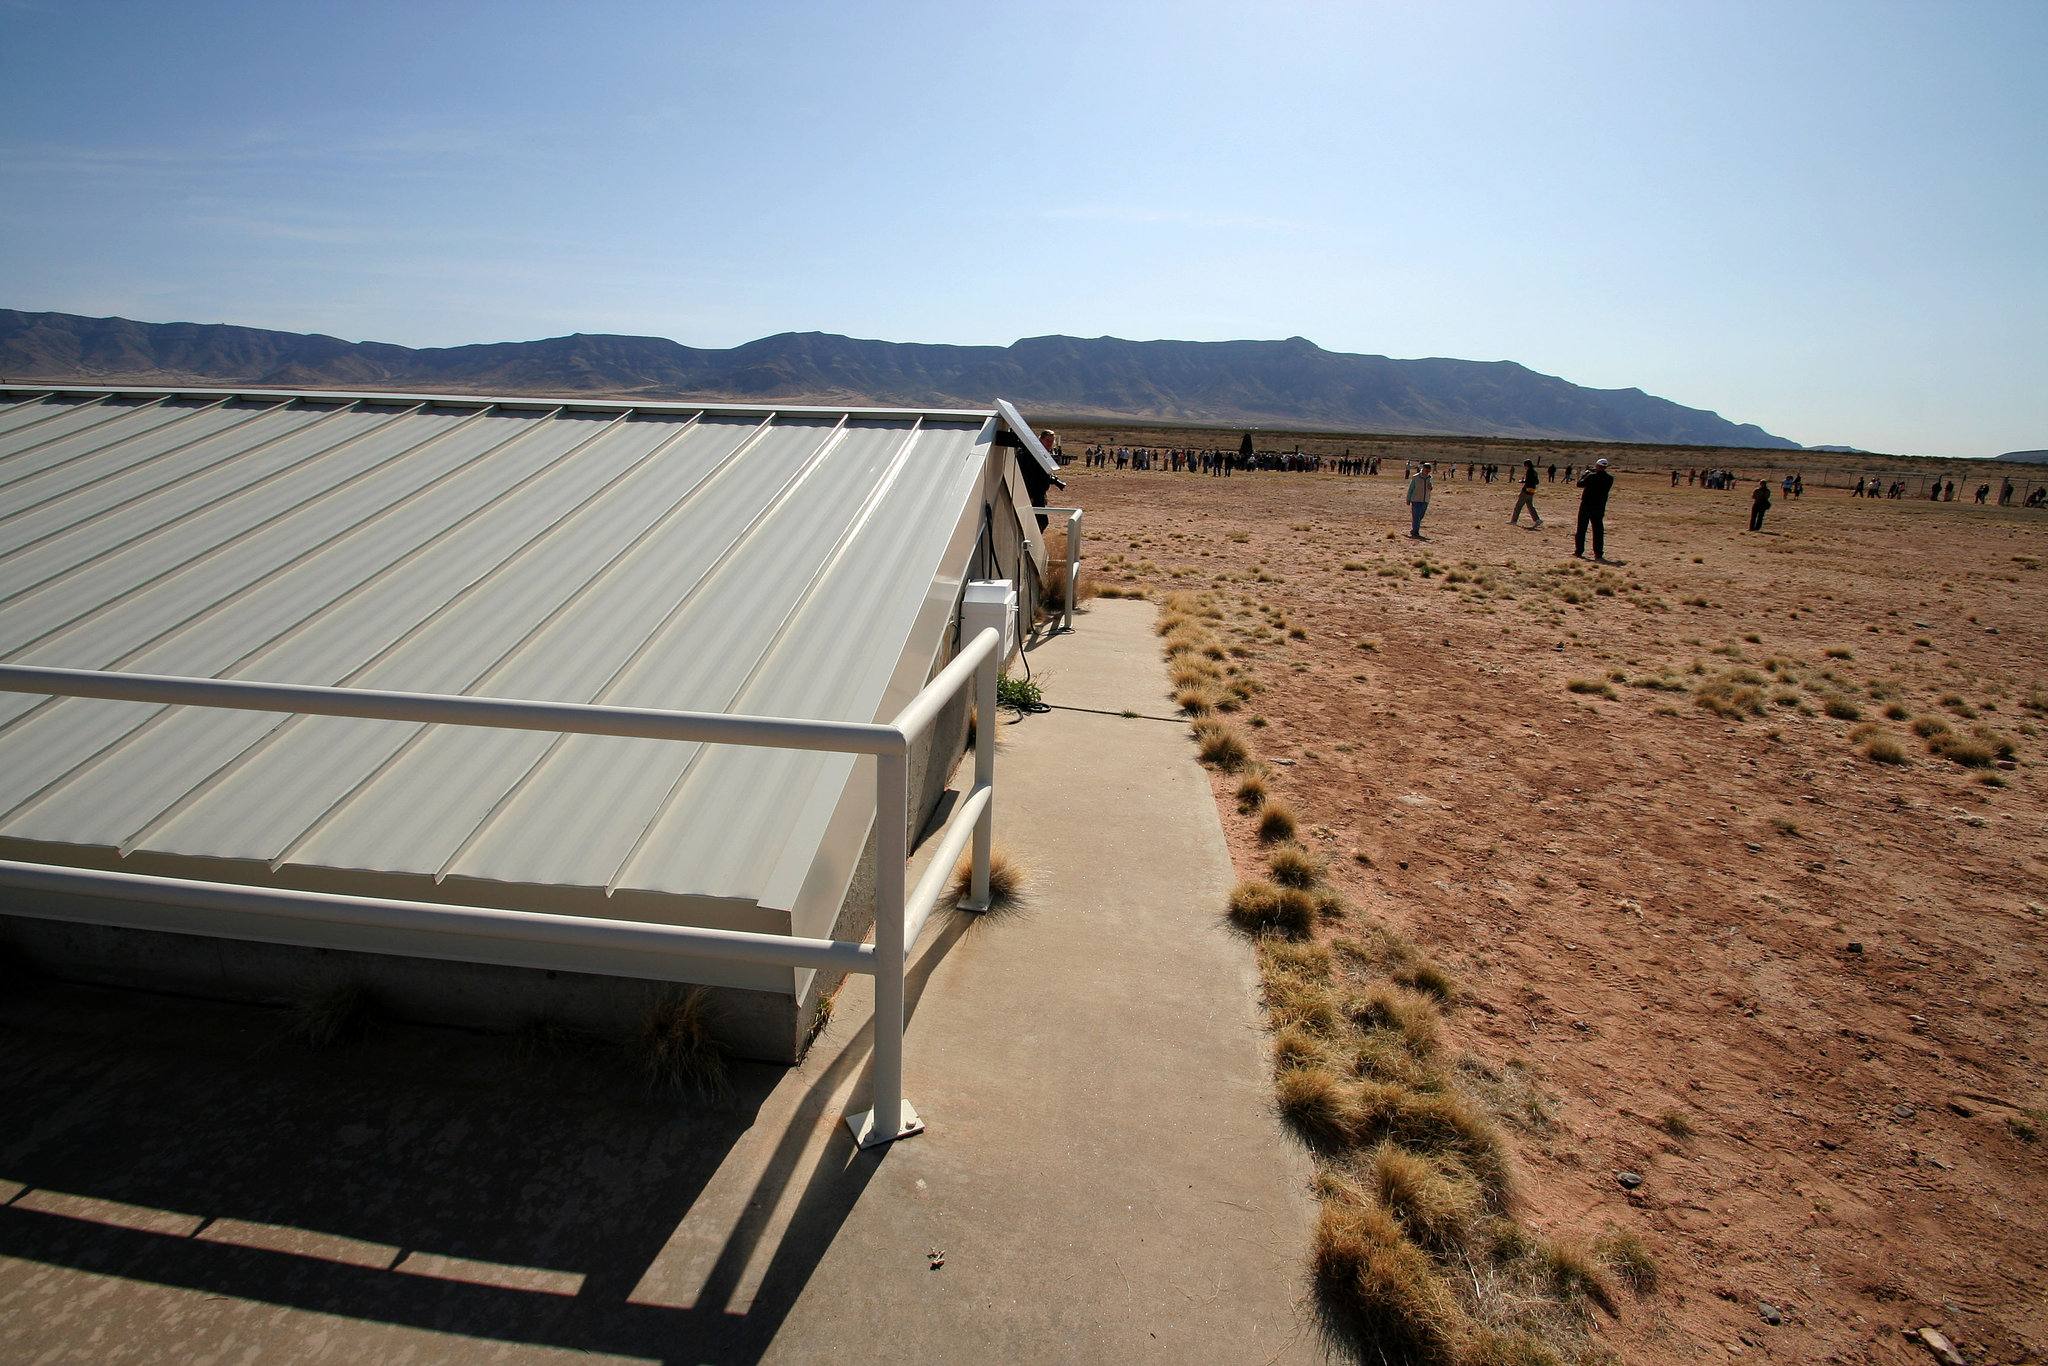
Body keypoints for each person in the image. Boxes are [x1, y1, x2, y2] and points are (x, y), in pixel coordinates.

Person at [1574, 458, 1613, 560]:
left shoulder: (1591, 477)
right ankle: (1598, 553)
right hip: (1599, 507)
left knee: (1582, 529)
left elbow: (1579, 484)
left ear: (1597, 466)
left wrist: (1585, 474)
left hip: (1587, 505)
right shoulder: (1609, 478)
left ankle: (1579, 551)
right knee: (1598, 530)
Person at [1511, 459, 1543, 527]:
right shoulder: (1534, 472)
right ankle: (1537, 519)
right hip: (1532, 491)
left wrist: (1523, 481)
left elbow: (1528, 481)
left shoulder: (1529, 472)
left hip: (1526, 491)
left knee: (1518, 506)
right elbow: (1537, 482)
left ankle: (1514, 521)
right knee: (1530, 506)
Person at [1406, 462, 1434, 539]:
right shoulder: (1416, 477)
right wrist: (1408, 499)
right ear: (1423, 469)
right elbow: (1411, 489)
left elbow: (1431, 487)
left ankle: (1414, 529)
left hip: (1425, 500)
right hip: (1416, 499)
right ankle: (1415, 531)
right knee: (1416, 516)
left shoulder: (1430, 477)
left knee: (1420, 516)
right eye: (1426, 471)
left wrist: (1430, 487)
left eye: (1428, 471)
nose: (1427, 472)